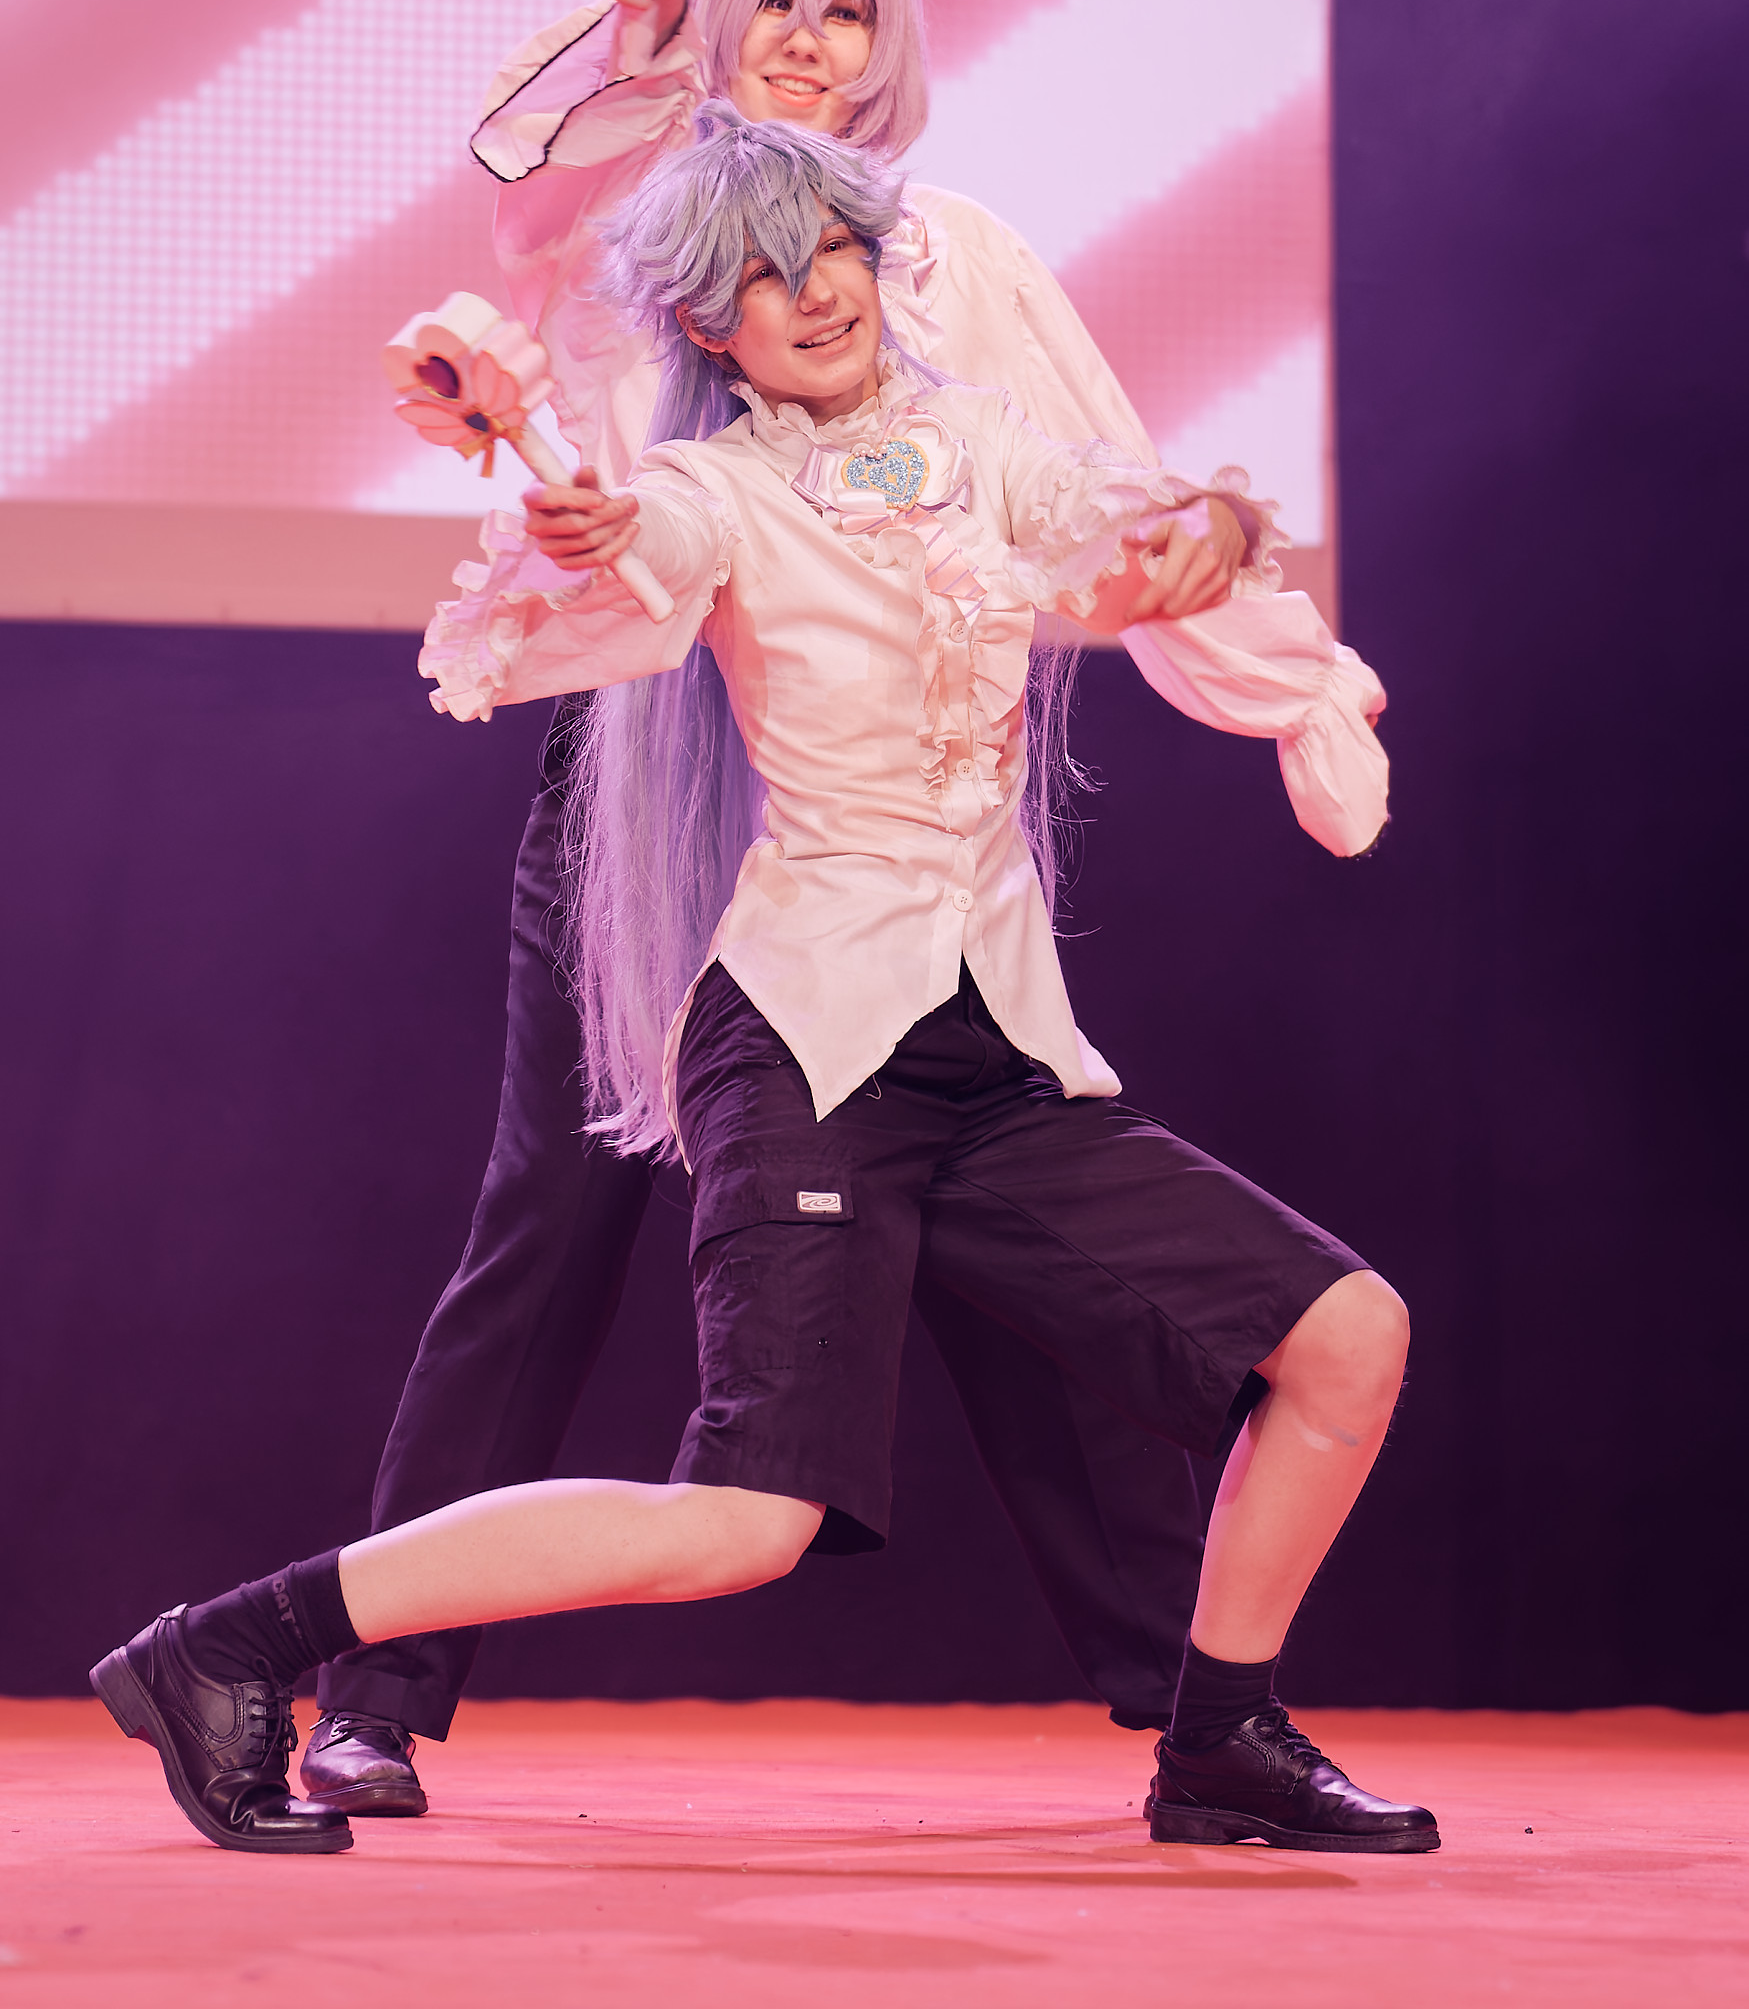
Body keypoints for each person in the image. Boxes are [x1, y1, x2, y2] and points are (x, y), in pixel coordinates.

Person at [94, 114, 1433, 1862]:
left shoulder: (978, 440)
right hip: (805, 1052)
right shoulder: (714, 489)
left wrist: (1208, 520)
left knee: (1346, 1334)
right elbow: (629, 551)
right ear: (706, 326)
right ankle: (228, 1647)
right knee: (745, 1519)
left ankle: (1220, 1739)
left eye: (833, 253)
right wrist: (579, 519)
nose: (812, 294)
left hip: (991, 1052)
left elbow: (1108, 510)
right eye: (760, 277)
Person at [303, 0, 1257, 1815]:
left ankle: (1197, 1710)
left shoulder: (958, 258)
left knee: (1003, 1232)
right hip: (656, 786)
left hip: (895, 826)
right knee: (551, 1226)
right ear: (713, 24)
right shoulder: (630, 220)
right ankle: (369, 1689)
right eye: (776, 2)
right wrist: (629, 25)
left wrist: (1244, 609)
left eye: (849, 8)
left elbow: (1109, 482)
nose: (811, 39)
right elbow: (524, 203)